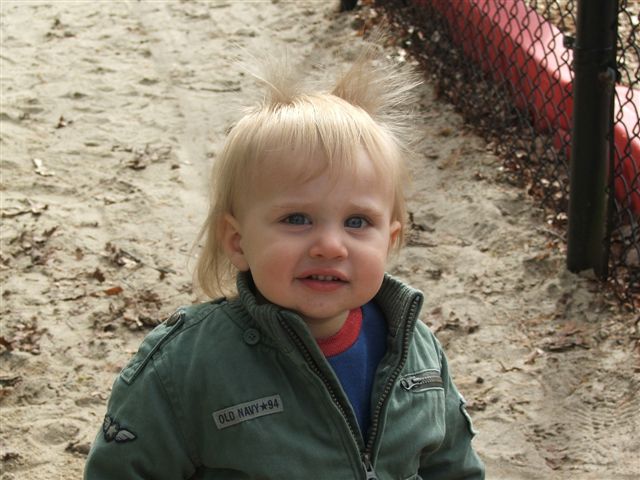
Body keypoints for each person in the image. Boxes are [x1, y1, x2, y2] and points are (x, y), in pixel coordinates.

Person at [84, 46, 485, 479]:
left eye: (357, 221)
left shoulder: (413, 348)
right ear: (238, 241)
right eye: (297, 219)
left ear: (389, 241)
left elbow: (452, 466)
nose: (330, 246)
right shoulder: (185, 366)